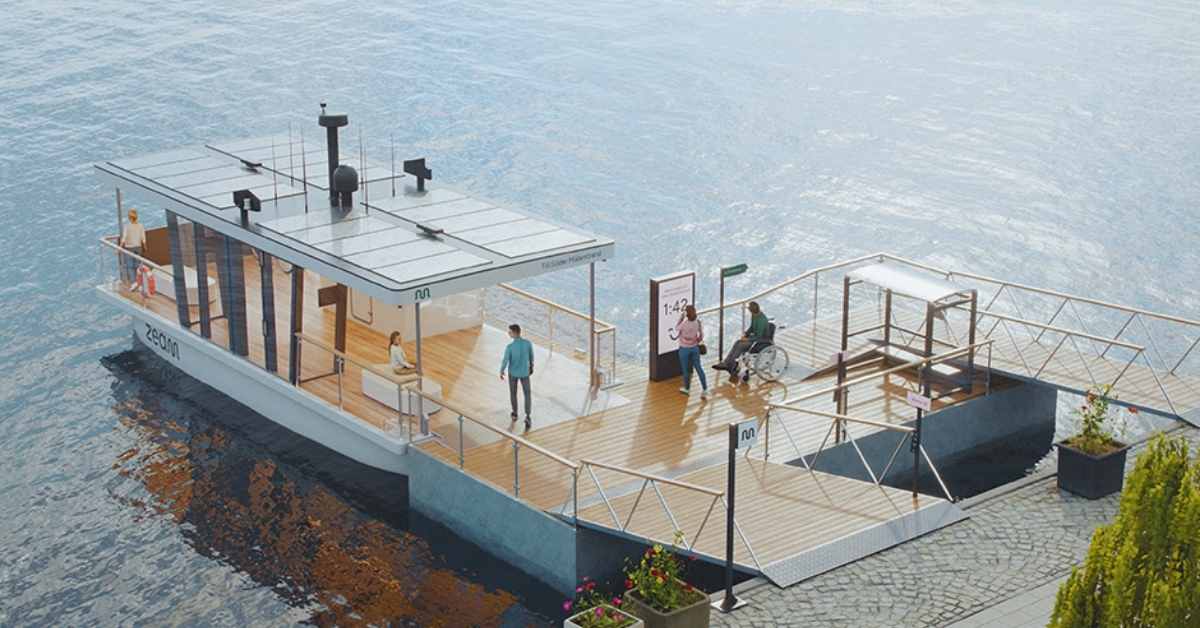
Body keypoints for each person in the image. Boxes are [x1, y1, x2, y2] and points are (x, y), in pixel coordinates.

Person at [713, 301, 768, 383]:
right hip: (753, 337)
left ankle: (730, 365)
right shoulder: (754, 315)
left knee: (741, 346)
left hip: (760, 341)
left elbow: (759, 336)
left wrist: (747, 339)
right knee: (737, 342)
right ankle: (727, 362)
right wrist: (746, 334)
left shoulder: (762, 320)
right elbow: (752, 327)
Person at [499, 323, 534, 430]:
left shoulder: (510, 347)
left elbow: (505, 360)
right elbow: (531, 357)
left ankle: (515, 413)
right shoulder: (527, 344)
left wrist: (501, 371)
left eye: (510, 332)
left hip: (513, 374)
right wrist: (531, 367)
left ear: (514, 333)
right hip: (525, 373)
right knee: (527, 394)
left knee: (513, 393)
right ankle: (528, 416)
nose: (508, 333)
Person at [675, 305, 708, 398]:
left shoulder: (684, 324)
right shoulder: (698, 322)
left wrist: (681, 318)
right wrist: (696, 341)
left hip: (684, 349)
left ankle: (687, 388)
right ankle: (705, 389)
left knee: (685, 370)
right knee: (698, 368)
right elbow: (701, 336)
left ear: (687, 314)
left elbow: (676, 328)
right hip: (694, 348)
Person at [119, 208, 146, 288]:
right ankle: (140, 283)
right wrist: (145, 247)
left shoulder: (127, 226)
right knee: (138, 266)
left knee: (130, 266)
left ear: (129, 217)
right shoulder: (140, 225)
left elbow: (124, 238)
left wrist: (119, 248)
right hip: (138, 247)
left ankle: (134, 283)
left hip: (129, 248)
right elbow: (143, 238)